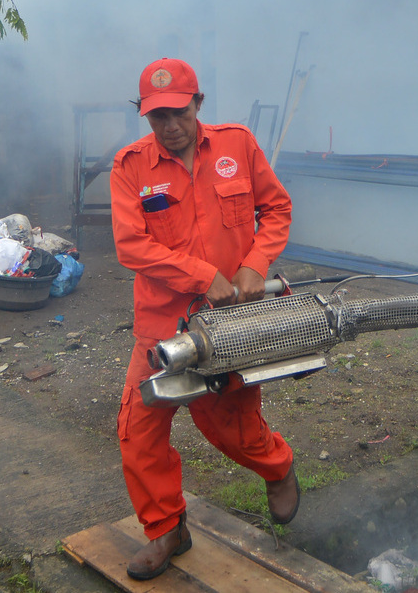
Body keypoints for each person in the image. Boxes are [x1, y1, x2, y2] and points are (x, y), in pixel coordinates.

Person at [110, 57, 299, 580]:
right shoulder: (130, 167)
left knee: (232, 430)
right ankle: (167, 529)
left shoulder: (237, 145)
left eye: (177, 113)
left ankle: (278, 468)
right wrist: (200, 275)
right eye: (156, 117)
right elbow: (131, 245)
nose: (169, 127)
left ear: (198, 104)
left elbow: (277, 209)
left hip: (230, 325)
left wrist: (255, 265)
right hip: (161, 325)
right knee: (139, 431)